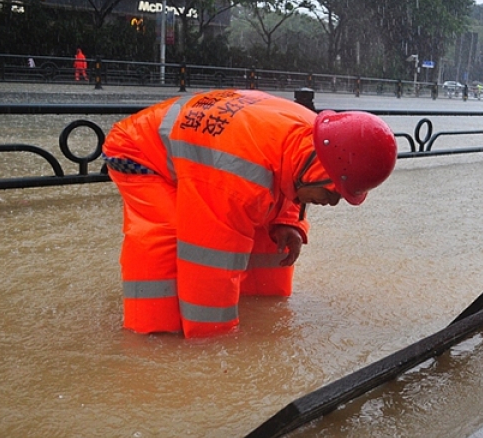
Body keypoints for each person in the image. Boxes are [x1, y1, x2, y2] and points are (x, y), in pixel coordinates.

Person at [101, 89, 397, 338]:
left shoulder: (317, 139)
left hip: (213, 152)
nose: (332, 203)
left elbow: (285, 171)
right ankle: (154, 336)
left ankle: (255, 301)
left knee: (270, 235)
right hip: (139, 150)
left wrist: (287, 221)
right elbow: (209, 261)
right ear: (317, 169)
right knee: (168, 239)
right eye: (332, 193)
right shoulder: (237, 177)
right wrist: (216, 348)